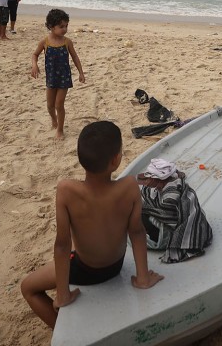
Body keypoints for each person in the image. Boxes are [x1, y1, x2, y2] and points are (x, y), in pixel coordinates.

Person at [20, 120, 163, 328]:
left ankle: (65, 334)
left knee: (28, 288)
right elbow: (137, 232)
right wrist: (143, 278)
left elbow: (62, 246)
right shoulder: (130, 187)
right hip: (115, 266)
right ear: (115, 160)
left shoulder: (66, 191)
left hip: (85, 269)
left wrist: (63, 294)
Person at [31, 9, 86, 140]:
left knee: (59, 105)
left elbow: (75, 57)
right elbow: (35, 55)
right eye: (61, 26)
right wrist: (34, 64)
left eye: (66, 26)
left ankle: (60, 130)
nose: (65, 29)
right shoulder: (45, 42)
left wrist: (81, 73)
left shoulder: (67, 42)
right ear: (51, 26)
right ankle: (54, 120)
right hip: (51, 77)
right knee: (50, 106)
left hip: (64, 78)